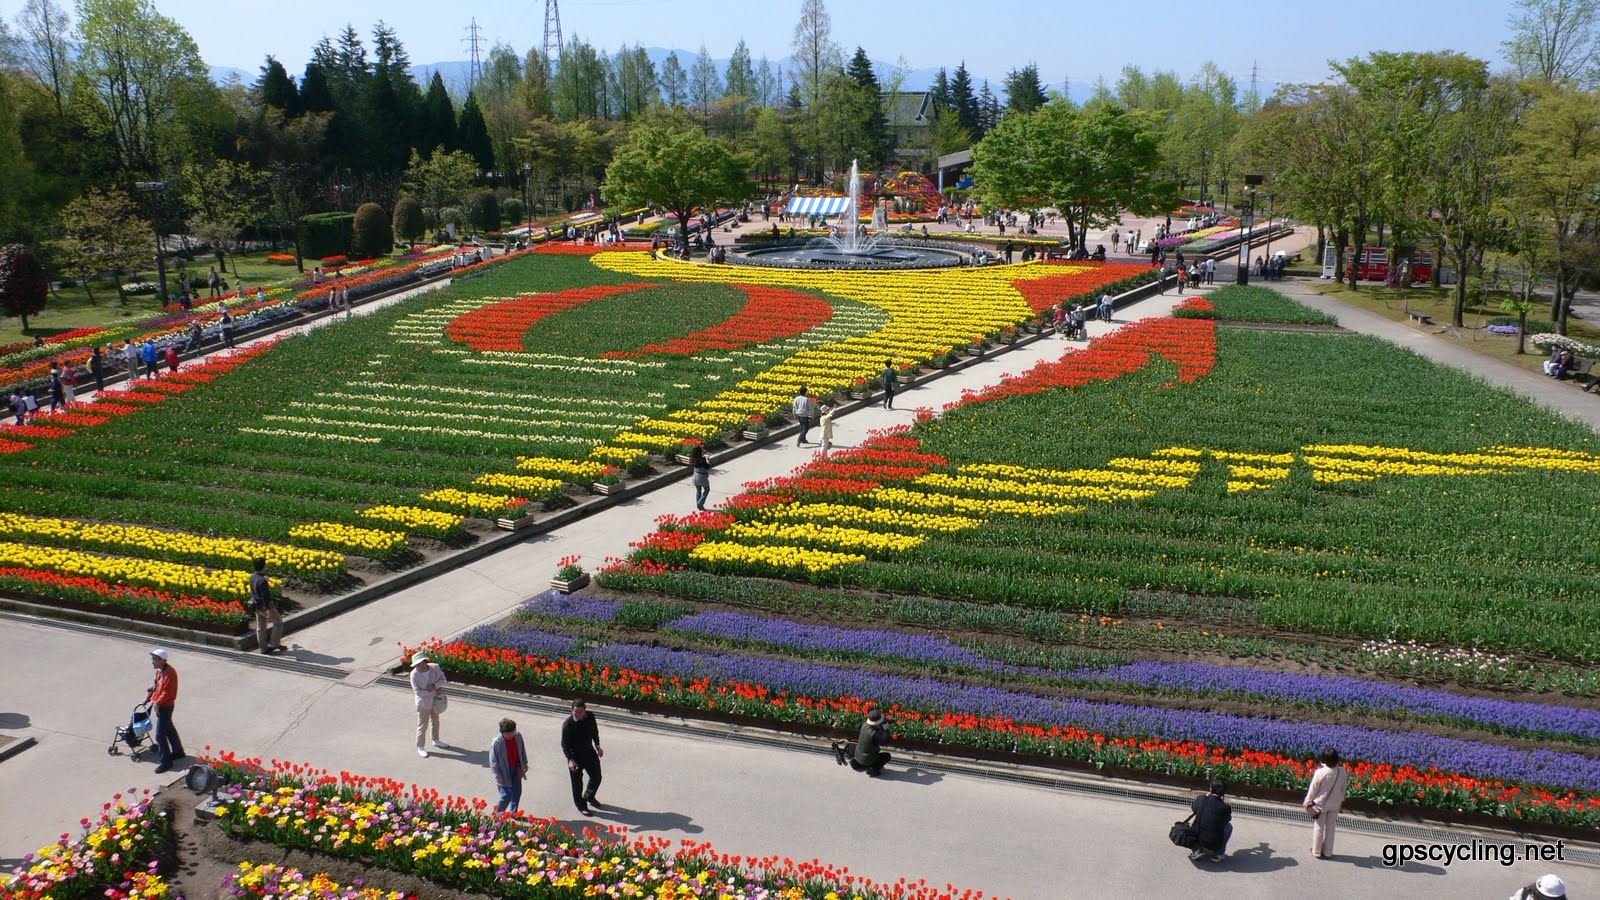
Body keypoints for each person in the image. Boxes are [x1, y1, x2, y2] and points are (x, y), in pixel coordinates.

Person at [1303, 747, 1349, 859]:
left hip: (1321, 805)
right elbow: (1344, 787)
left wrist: (1307, 802)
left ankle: (1317, 851)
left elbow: (1313, 789)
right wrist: (1341, 799)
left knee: (1319, 828)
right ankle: (1328, 852)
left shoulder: (1320, 772)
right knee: (1331, 827)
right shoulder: (1342, 771)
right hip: (1335, 804)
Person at [561, 699, 604, 815]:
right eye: (576, 712)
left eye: (581, 712)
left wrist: (597, 745)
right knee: (577, 784)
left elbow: (595, 731)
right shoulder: (568, 724)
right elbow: (565, 744)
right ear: (572, 711)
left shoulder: (590, 717)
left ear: (585, 711)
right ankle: (581, 806)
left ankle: (589, 795)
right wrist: (570, 760)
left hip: (589, 753)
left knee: (597, 777)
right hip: (575, 758)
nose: (578, 714)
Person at [146, 648, 185, 774]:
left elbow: (168, 693)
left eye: (155, 659)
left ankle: (166, 762)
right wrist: (148, 698)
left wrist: (157, 703)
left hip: (166, 706)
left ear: (162, 660)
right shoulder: (159, 671)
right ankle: (178, 751)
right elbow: (156, 687)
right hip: (161, 705)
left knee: (160, 735)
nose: (152, 662)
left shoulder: (170, 674)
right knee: (168, 728)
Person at [410, 653, 448, 757]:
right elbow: (418, 692)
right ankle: (420, 746)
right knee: (423, 725)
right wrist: (433, 690)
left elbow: (443, 679)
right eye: (417, 665)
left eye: (421, 663)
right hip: (423, 703)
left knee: (435, 721)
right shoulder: (414, 675)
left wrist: (435, 686)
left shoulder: (435, 667)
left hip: (436, 701)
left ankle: (436, 740)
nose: (419, 666)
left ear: (425, 662)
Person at [490, 718, 529, 814]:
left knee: (517, 792)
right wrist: (498, 776)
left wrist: (525, 763)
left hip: (516, 768)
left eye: (513, 732)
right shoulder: (497, 743)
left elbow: (522, 750)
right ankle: (497, 814)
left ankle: (513, 813)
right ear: (503, 733)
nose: (512, 735)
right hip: (503, 772)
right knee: (506, 795)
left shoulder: (518, 736)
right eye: (509, 733)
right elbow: (493, 762)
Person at [1189, 780, 1233, 862]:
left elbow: (1193, 808)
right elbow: (1227, 819)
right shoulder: (1226, 807)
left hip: (1197, 835)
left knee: (1198, 822)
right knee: (1229, 827)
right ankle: (1218, 853)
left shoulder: (1201, 799)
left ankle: (1197, 849)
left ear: (1210, 789)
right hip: (1214, 840)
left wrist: (1206, 797)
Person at [248, 557, 283, 654]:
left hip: (255, 604)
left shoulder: (252, 577)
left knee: (261, 626)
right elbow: (266, 597)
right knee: (278, 622)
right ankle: (274, 643)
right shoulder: (262, 581)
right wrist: (269, 609)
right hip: (264, 606)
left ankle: (263, 648)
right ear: (264, 566)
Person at [848, 708, 892, 775]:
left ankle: (857, 763)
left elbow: (877, 726)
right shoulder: (874, 734)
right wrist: (886, 729)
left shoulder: (865, 725)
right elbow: (886, 740)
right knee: (887, 756)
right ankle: (873, 769)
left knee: (855, 749)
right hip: (868, 758)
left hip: (858, 754)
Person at [689, 445, 711, 511]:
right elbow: (708, 467)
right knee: (707, 489)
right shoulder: (702, 459)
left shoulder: (692, 459)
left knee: (698, 490)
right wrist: (707, 459)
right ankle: (700, 503)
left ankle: (698, 504)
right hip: (702, 477)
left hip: (695, 475)